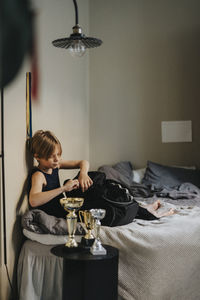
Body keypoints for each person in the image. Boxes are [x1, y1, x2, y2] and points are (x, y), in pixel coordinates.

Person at [28, 130, 93, 218]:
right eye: (51, 156)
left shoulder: (56, 165)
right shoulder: (39, 175)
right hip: (54, 215)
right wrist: (64, 188)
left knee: (94, 182)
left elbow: (84, 162)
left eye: (58, 154)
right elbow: (33, 201)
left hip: (62, 209)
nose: (57, 159)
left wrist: (83, 174)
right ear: (37, 157)